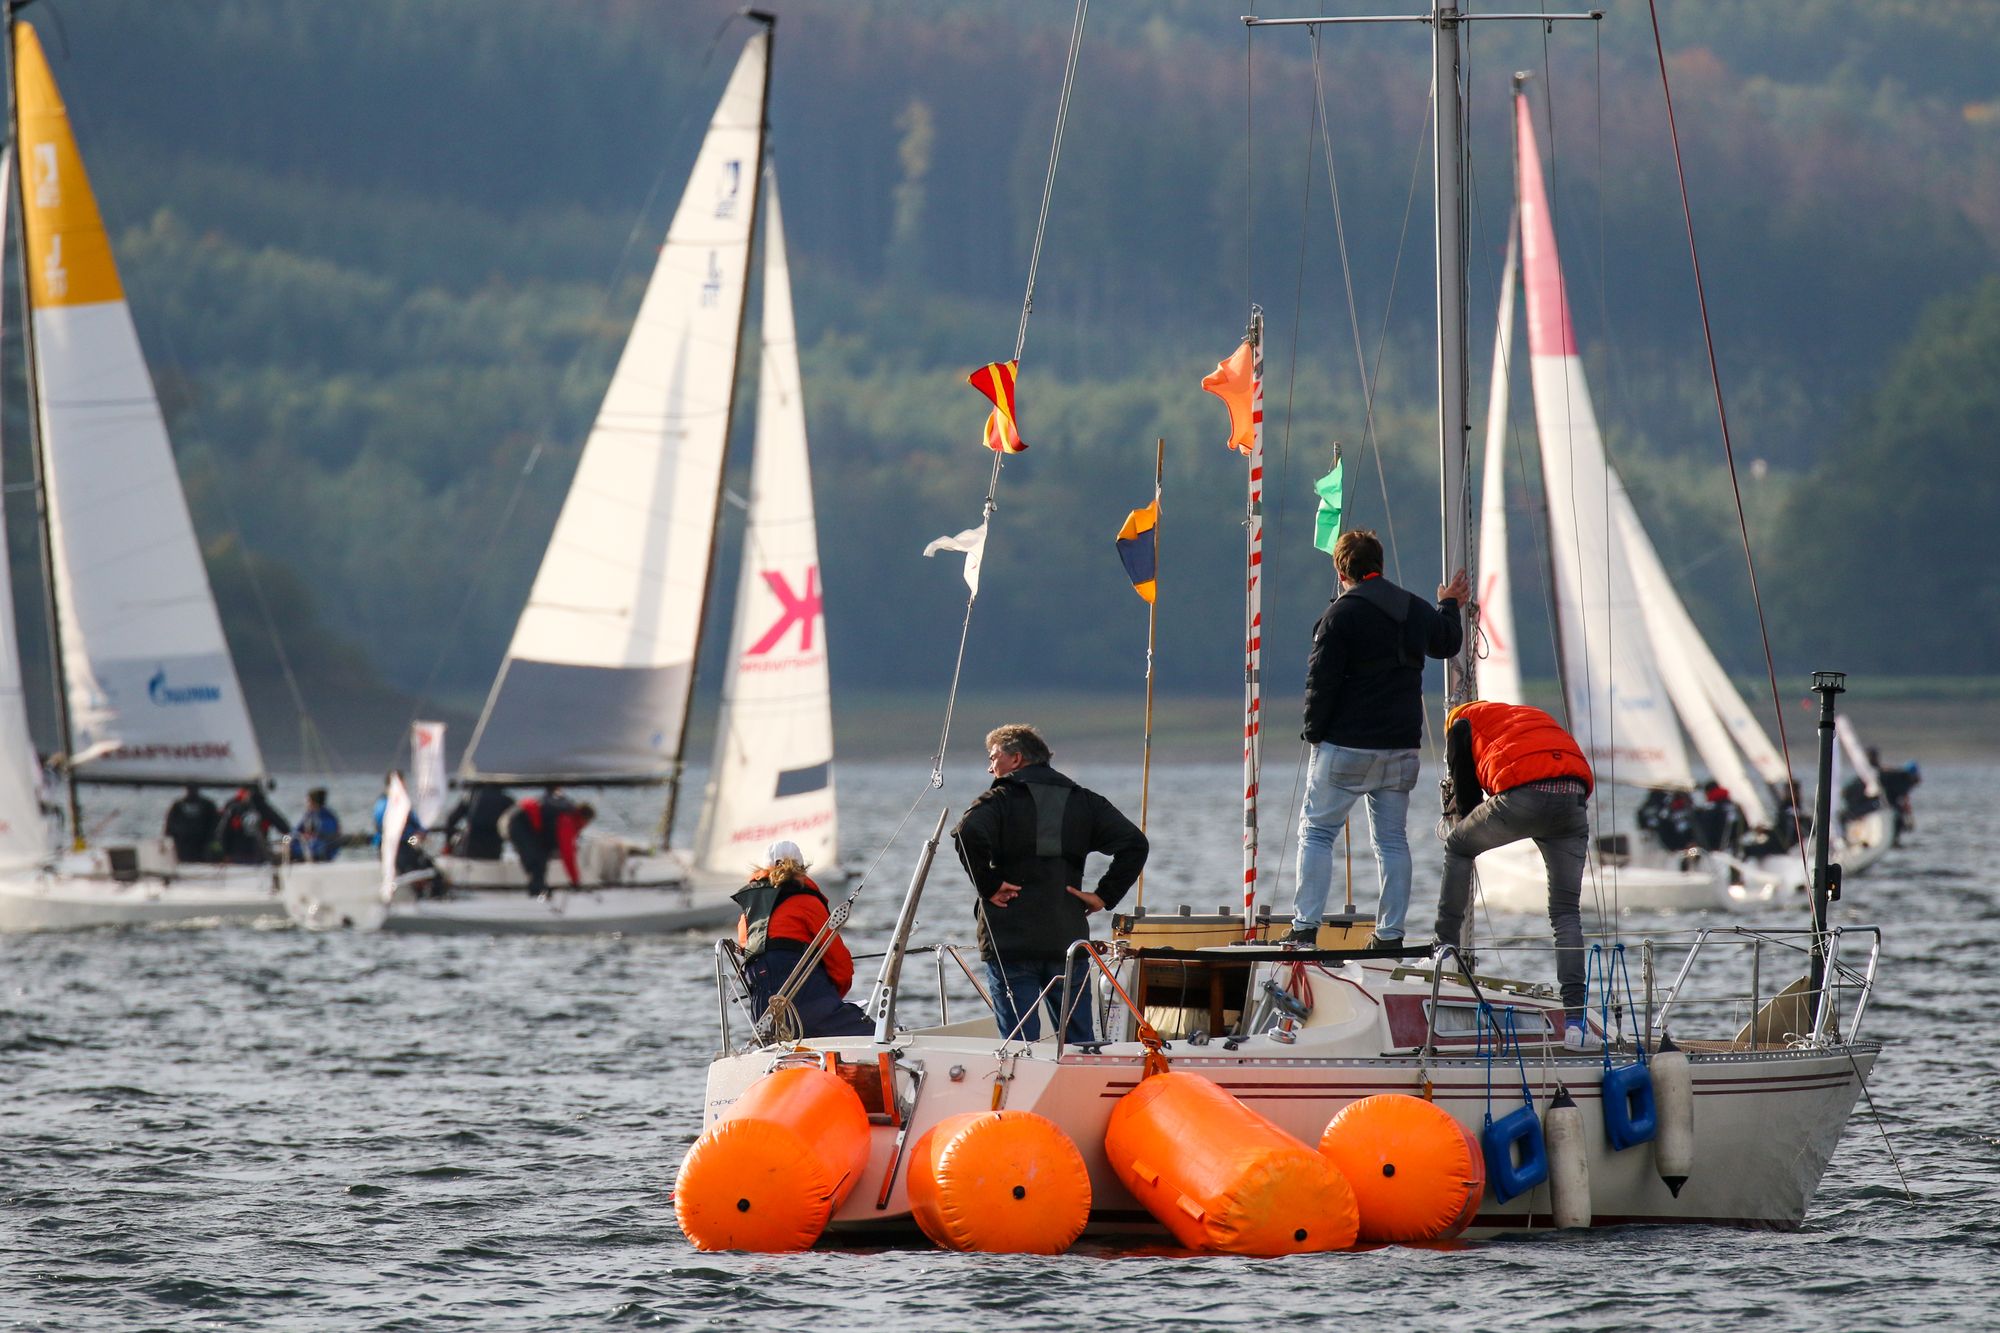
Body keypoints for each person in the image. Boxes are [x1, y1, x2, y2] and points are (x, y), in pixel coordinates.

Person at [1291, 529, 1466, 948]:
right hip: (1401, 749)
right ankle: (1389, 936)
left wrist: (1314, 733)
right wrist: (1448, 604)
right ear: (1380, 565)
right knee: (1391, 841)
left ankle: (1304, 929)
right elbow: (1447, 642)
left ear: (1341, 572)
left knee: (1317, 834)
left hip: (1346, 747)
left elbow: (1321, 682)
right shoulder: (1412, 607)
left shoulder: (1339, 616)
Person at [952, 723, 1148, 1044]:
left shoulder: (998, 800)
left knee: (1020, 1046)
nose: (990, 767)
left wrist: (989, 886)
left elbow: (966, 832)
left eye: (993, 757)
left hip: (1010, 938)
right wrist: (1103, 895)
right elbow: (1135, 844)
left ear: (1016, 759)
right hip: (1066, 937)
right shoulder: (1085, 801)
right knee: (1079, 1044)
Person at [1432, 699, 1596, 1049]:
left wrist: (1464, 819)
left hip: (1526, 794)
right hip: (1573, 796)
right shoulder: (1525, 716)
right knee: (1566, 912)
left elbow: (1467, 798)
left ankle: (1443, 949)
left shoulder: (1460, 722)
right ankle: (1575, 1023)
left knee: (1458, 846)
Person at [732, 839, 871, 1038]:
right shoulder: (807, 902)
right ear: (801, 868)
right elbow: (840, 964)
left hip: (764, 1016)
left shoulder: (747, 916)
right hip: (809, 1005)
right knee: (874, 1036)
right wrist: (831, 998)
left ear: (761, 872)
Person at [504, 790, 596, 898]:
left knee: (542, 856)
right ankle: (537, 895)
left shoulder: (568, 816)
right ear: (584, 818)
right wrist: (575, 881)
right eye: (587, 822)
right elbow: (568, 855)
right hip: (520, 821)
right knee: (535, 860)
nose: (586, 826)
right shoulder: (567, 821)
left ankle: (540, 890)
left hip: (531, 824)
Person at [213, 784, 292, 865]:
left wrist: (224, 854)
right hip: (255, 857)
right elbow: (285, 828)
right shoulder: (263, 808)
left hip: (241, 856)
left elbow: (221, 833)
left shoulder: (232, 807)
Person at [442, 783, 512, 860]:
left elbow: (451, 820)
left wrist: (448, 844)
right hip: (493, 852)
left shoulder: (471, 797)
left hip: (470, 851)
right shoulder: (506, 801)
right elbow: (516, 824)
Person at [163, 785, 220, 863]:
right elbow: (169, 827)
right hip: (182, 846)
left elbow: (215, 825)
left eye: (194, 788)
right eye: (190, 788)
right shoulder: (177, 806)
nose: (192, 791)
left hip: (202, 846)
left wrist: (212, 841)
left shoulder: (208, 805)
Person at [293, 787, 342, 862]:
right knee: (290, 842)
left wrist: (309, 837)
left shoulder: (327, 817)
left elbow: (326, 837)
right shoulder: (309, 815)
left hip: (324, 851)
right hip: (310, 847)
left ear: (313, 802)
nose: (306, 804)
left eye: (308, 801)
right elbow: (296, 831)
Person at [1879, 760, 1921, 846]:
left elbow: (1905, 801)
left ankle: (1892, 838)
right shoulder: (1905, 780)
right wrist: (1910, 819)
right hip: (1886, 801)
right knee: (1897, 818)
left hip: (1887, 801)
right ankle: (1893, 839)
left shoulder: (1898, 776)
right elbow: (1905, 801)